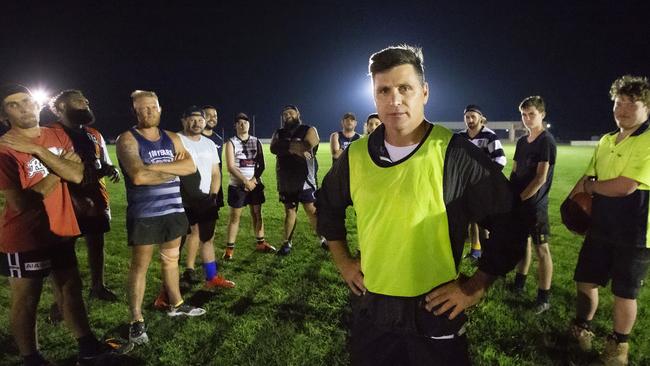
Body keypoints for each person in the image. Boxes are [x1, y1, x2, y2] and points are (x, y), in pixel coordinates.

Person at [317, 45, 526, 365]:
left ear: (424, 92)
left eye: (405, 88)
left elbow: (511, 220)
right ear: (374, 97)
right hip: (373, 309)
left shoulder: (455, 153)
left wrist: (475, 286)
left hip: (434, 311)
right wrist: (344, 262)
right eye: (384, 90)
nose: (394, 99)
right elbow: (328, 205)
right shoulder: (356, 155)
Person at [0, 84, 116, 365]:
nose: (24, 107)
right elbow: (22, 202)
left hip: (61, 230)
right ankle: (32, 357)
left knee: (70, 288)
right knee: (28, 299)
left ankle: (87, 346)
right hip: (26, 236)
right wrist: (57, 167)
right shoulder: (5, 149)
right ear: (5, 116)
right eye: (14, 105)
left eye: (27, 101)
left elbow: (79, 174)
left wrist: (37, 150)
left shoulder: (55, 134)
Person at [566, 75, 650, 365]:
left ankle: (619, 347)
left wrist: (589, 189)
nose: (623, 109)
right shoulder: (606, 140)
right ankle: (582, 327)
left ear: (647, 107)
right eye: (618, 102)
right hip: (601, 225)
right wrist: (572, 200)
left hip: (635, 230)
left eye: (632, 103)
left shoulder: (649, 139)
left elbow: (626, 185)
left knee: (624, 292)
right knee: (586, 280)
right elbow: (589, 174)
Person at [116, 90, 206, 347]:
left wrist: (152, 168)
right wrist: (170, 169)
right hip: (145, 213)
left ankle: (175, 303)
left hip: (173, 209)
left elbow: (189, 168)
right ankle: (136, 320)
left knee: (171, 260)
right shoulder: (127, 139)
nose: (148, 112)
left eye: (152, 107)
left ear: (160, 108)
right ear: (135, 111)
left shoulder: (172, 137)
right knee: (140, 267)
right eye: (142, 109)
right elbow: (137, 177)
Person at [49, 89, 120, 302]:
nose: (86, 102)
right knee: (63, 251)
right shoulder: (49, 134)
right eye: (79, 101)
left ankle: (98, 287)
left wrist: (110, 169)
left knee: (97, 244)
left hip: (95, 201)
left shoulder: (94, 134)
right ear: (62, 107)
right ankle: (60, 299)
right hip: (65, 202)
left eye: (86, 100)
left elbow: (104, 161)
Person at [177, 106, 235, 289]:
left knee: (207, 238)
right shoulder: (176, 140)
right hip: (182, 200)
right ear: (184, 120)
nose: (197, 123)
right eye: (192, 119)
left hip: (206, 200)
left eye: (200, 120)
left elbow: (216, 173)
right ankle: (171, 284)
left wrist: (213, 195)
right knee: (176, 242)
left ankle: (211, 278)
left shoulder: (209, 144)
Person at [509, 96, 556, 315]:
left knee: (541, 249)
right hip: (519, 203)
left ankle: (544, 298)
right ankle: (519, 283)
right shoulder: (521, 142)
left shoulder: (546, 141)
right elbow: (515, 171)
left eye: (532, 114)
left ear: (542, 115)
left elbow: (540, 178)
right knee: (522, 244)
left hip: (535, 206)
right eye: (524, 115)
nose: (527, 119)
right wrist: (509, 194)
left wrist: (520, 198)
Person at [270, 105, 322, 255]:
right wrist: (294, 147)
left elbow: (307, 145)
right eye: (284, 113)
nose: (287, 115)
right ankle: (287, 243)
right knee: (290, 211)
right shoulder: (279, 132)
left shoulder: (309, 129)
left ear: (298, 114)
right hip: (286, 179)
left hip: (306, 178)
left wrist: (285, 147)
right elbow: (274, 148)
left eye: (290, 112)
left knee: (311, 210)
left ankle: (323, 239)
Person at [223, 112, 275, 259]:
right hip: (237, 186)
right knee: (235, 217)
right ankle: (229, 250)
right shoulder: (231, 142)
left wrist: (253, 180)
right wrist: (245, 182)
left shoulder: (256, 141)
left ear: (249, 124)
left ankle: (261, 243)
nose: (242, 124)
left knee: (257, 214)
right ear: (235, 126)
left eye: (245, 122)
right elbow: (231, 167)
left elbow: (261, 164)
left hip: (254, 185)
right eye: (239, 122)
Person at [458, 104, 507, 262]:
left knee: (483, 222)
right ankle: (475, 251)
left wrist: (485, 179)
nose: (470, 120)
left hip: (483, 187)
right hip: (466, 187)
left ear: (480, 117)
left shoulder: (489, 136)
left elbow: (500, 159)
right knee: (471, 219)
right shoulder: (460, 137)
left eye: (473, 116)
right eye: (467, 117)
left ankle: (487, 256)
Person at [201, 105, 225, 210]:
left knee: (211, 221)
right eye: (208, 115)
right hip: (199, 187)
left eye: (215, 116)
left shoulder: (219, 139)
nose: (212, 118)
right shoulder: (194, 137)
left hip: (215, 186)